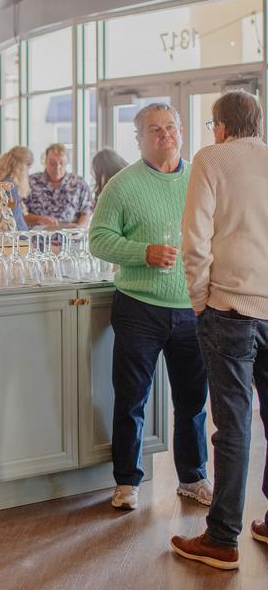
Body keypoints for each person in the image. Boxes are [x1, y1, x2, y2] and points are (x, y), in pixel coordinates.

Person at [89, 103, 210, 512]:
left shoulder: (199, 179)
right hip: (139, 307)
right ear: (139, 139)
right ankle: (126, 481)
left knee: (193, 401)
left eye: (171, 127)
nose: (165, 134)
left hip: (192, 308)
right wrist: (143, 253)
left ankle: (192, 478)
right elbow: (98, 239)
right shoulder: (122, 185)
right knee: (131, 399)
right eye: (155, 129)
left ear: (181, 132)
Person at [171, 91, 268, 571]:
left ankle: (223, 537)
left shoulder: (211, 159)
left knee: (232, 426)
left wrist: (199, 302)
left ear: (221, 126)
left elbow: (195, 240)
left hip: (229, 308)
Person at [26, 143, 93, 227]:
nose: (57, 167)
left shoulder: (78, 183)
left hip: (70, 234)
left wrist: (79, 228)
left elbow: (86, 211)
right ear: (45, 162)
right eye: (52, 163)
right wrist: (39, 219)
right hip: (38, 234)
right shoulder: (31, 182)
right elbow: (20, 213)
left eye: (62, 163)